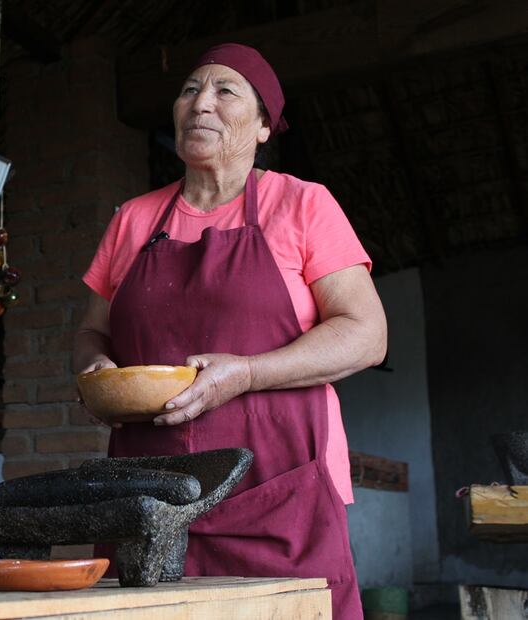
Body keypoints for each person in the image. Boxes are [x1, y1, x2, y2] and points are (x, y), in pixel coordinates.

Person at [74, 43, 386, 620]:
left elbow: (366, 334)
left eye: (225, 91)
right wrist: (96, 370)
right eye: (190, 90)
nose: (201, 104)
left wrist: (246, 373)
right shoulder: (134, 219)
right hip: (149, 497)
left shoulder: (302, 204)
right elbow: (92, 333)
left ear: (264, 125)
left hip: (277, 493)